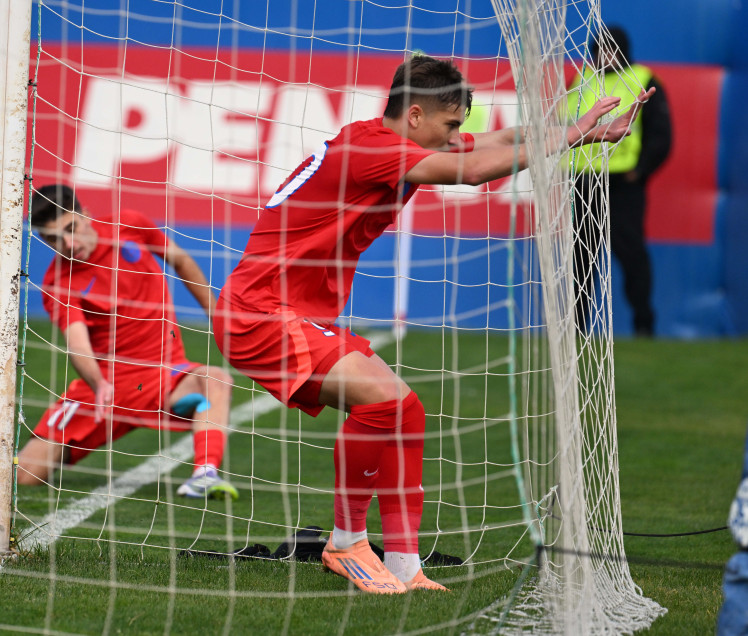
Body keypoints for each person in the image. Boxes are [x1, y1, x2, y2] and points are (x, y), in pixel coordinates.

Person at [214, 54, 652, 594]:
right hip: (258, 313)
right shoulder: (373, 149)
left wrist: (579, 131)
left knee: (407, 410)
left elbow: (492, 143)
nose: (455, 136)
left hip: (283, 313)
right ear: (415, 114)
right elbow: (471, 172)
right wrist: (569, 139)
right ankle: (347, 543)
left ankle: (402, 562)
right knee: (385, 402)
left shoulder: (398, 141)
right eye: (449, 125)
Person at [17, 184, 238, 500]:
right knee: (24, 477)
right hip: (105, 387)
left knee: (216, 379)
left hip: (165, 375)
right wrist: (98, 383)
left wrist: (217, 317)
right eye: (54, 239)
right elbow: (77, 344)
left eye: (71, 228)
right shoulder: (59, 283)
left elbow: (181, 261)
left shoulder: (130, 225)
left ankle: (204, 474)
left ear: (85, 215)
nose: (68, 243)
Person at [569, 26, 673, 336]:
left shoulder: (643, 79)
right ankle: (576, 330)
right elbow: (566, 127)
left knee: (631, 256)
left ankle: (643, 325)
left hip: (623, 185)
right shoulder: (582, 80)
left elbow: (660, 135)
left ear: (624, 50)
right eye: (600, 50)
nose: (606, 56)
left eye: (612, 49)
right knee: (580, 258)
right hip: (585, 183)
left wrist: (639, 172)